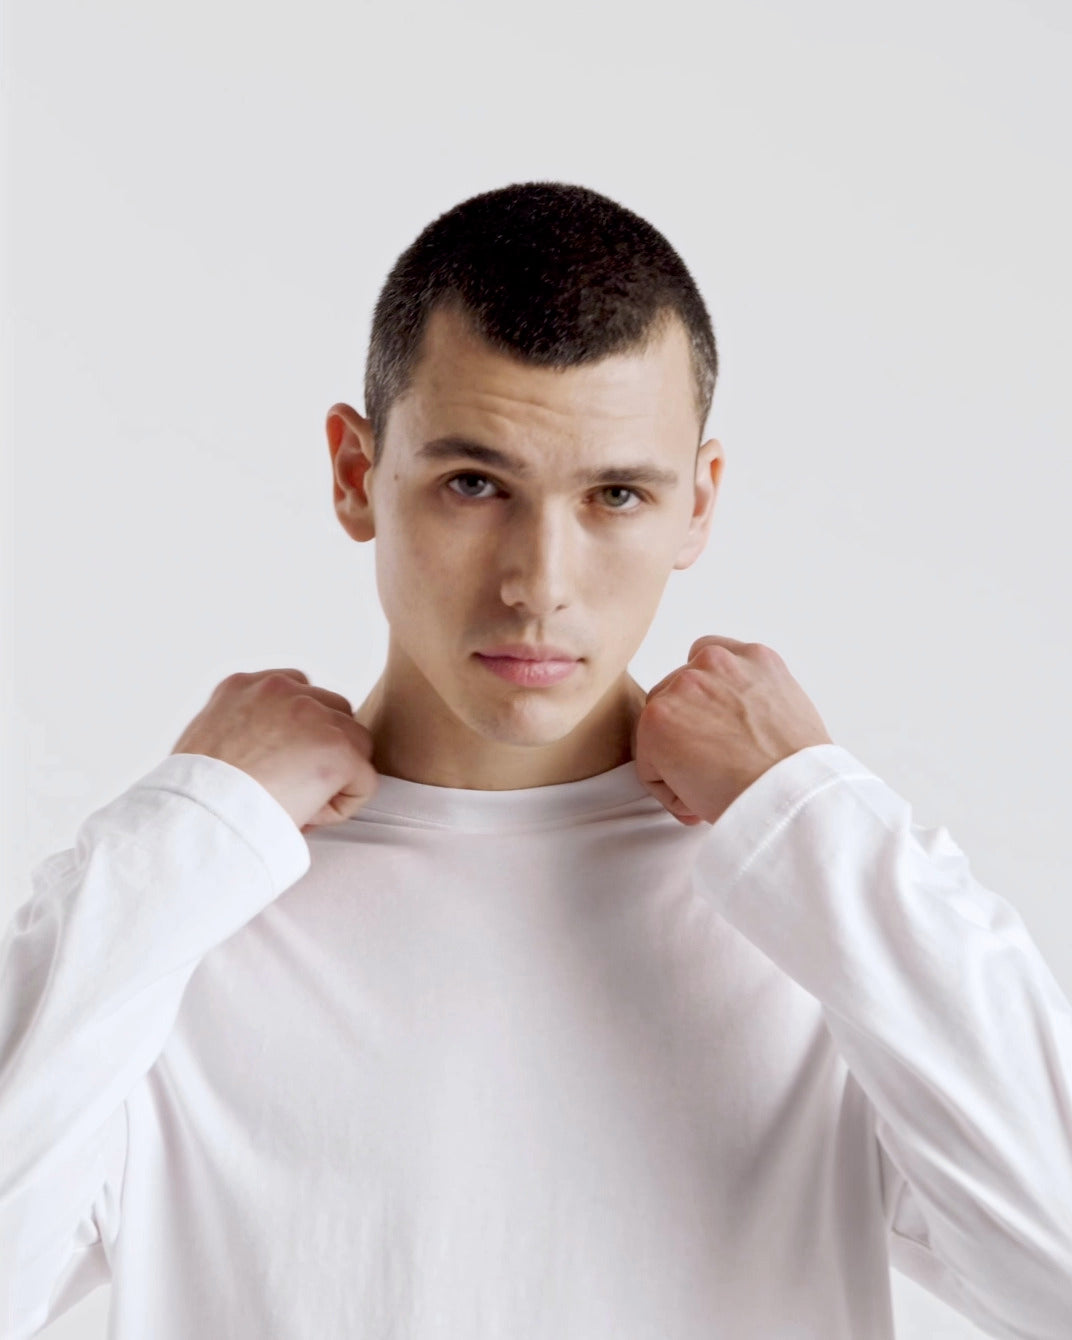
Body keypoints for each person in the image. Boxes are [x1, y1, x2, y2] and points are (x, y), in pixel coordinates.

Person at [2, 181, 1070, 1339]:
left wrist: (812, 816)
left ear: (697, 503)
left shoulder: (807, 908)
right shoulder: (194, 912)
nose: (539, 583)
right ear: (356, 473)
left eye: (616, 494)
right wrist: (186, 836)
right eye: (474, 485)